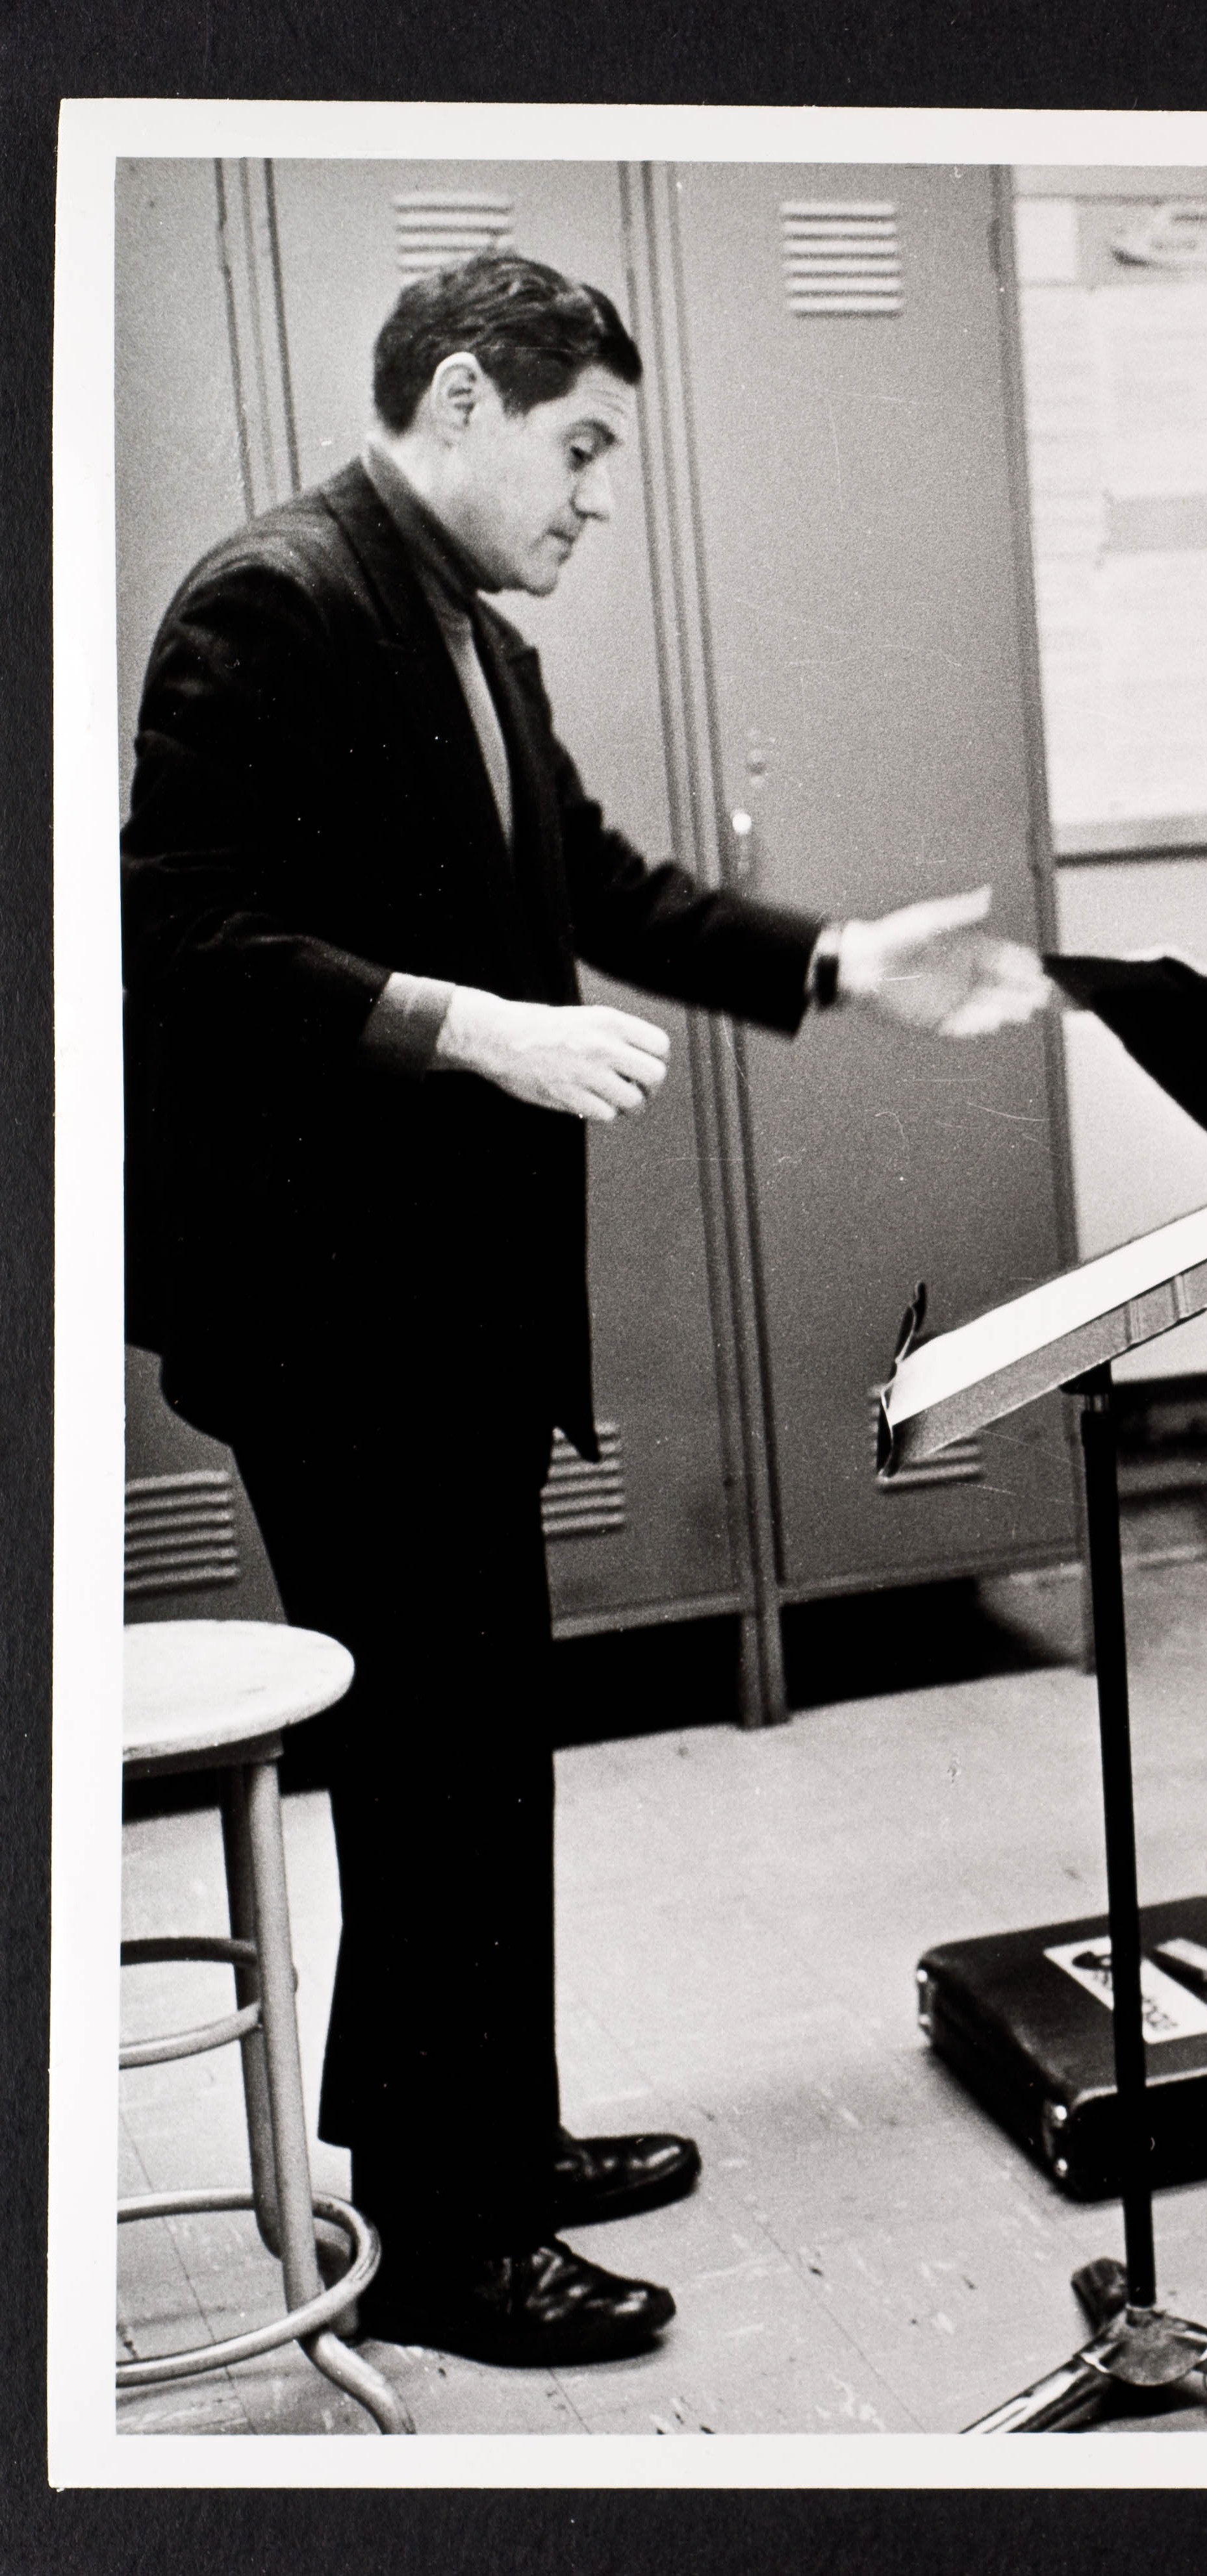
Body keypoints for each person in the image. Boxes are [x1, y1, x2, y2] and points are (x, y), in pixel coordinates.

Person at [121, 253, 1050, 2368]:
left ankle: (496, 2134)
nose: (600, 497)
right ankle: (443, 2236)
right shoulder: (272, 600)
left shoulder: (462, 625)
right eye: (584, 444)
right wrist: (466, 1034)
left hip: (442, 1304)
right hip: (333, 1311)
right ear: (464, 397)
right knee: (431, 1758)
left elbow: (602, 888)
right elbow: (182, 928)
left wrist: (835, 963)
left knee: (484, 1742)